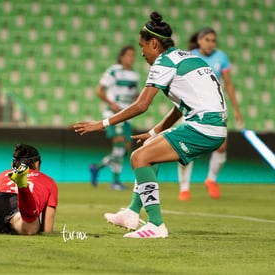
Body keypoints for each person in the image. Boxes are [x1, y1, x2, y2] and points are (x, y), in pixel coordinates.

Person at [73, 12, 227, 238]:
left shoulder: (163, 62)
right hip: (213, 126)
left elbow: (141, 105)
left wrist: (102, 123)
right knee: (148, 153)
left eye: (142, 46)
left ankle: (156, 225)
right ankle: (133, 213)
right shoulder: (189, 58)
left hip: (203, 127)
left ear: (154, 43)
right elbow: (180, 107)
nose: (142, 53)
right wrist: (155, 132)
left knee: (138, 158)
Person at [177, 27, 243, 201]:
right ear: (199, 41)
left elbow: (228, 84)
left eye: (213, 40)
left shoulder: (221, 57)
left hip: (215, 107)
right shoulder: (190, 56)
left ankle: (211, 179)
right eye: (207, 39)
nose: (211, 43)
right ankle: (184, 187)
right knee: (186, 147)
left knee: (221, 145)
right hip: (193, 107)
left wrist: (236, 110)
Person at [89, 45, 140, 190]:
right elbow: (99, 91)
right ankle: (115, 182)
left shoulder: (135, 74)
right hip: (114, 116)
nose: (132, 58)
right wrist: (111, 104)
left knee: (124, 150)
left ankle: (97, 167)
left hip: (127, 116)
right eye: (129, 55)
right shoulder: (113, 71)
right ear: (122, 56)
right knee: (119, 146)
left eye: (133, 55)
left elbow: (136, 95)